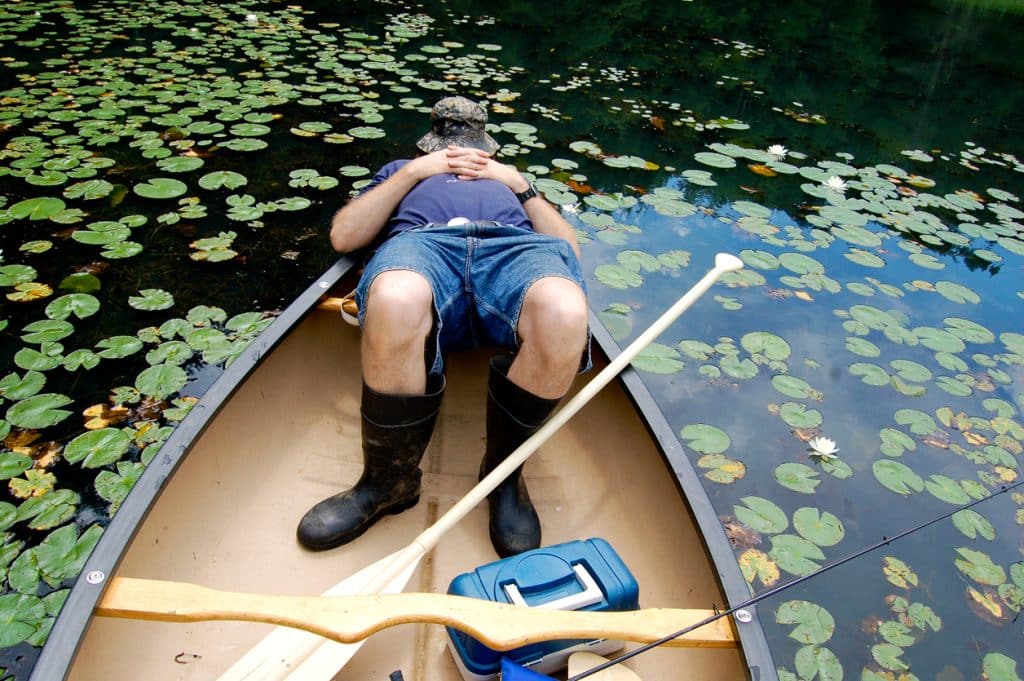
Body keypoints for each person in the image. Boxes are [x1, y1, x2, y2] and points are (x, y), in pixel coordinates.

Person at [296, 96, 591, 557]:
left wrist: (520, 185)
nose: (462, 157)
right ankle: (387, 483)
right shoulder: (402, 170)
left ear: (489, 150)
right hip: (424, 245)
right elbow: (345, 236)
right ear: (429, 146)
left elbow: (568, 250)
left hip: (510, 247)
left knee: (565, 310)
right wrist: (414, 172)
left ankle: (502, 479)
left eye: (471, 151)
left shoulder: (510, 181)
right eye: (448, 151)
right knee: (395, 298)